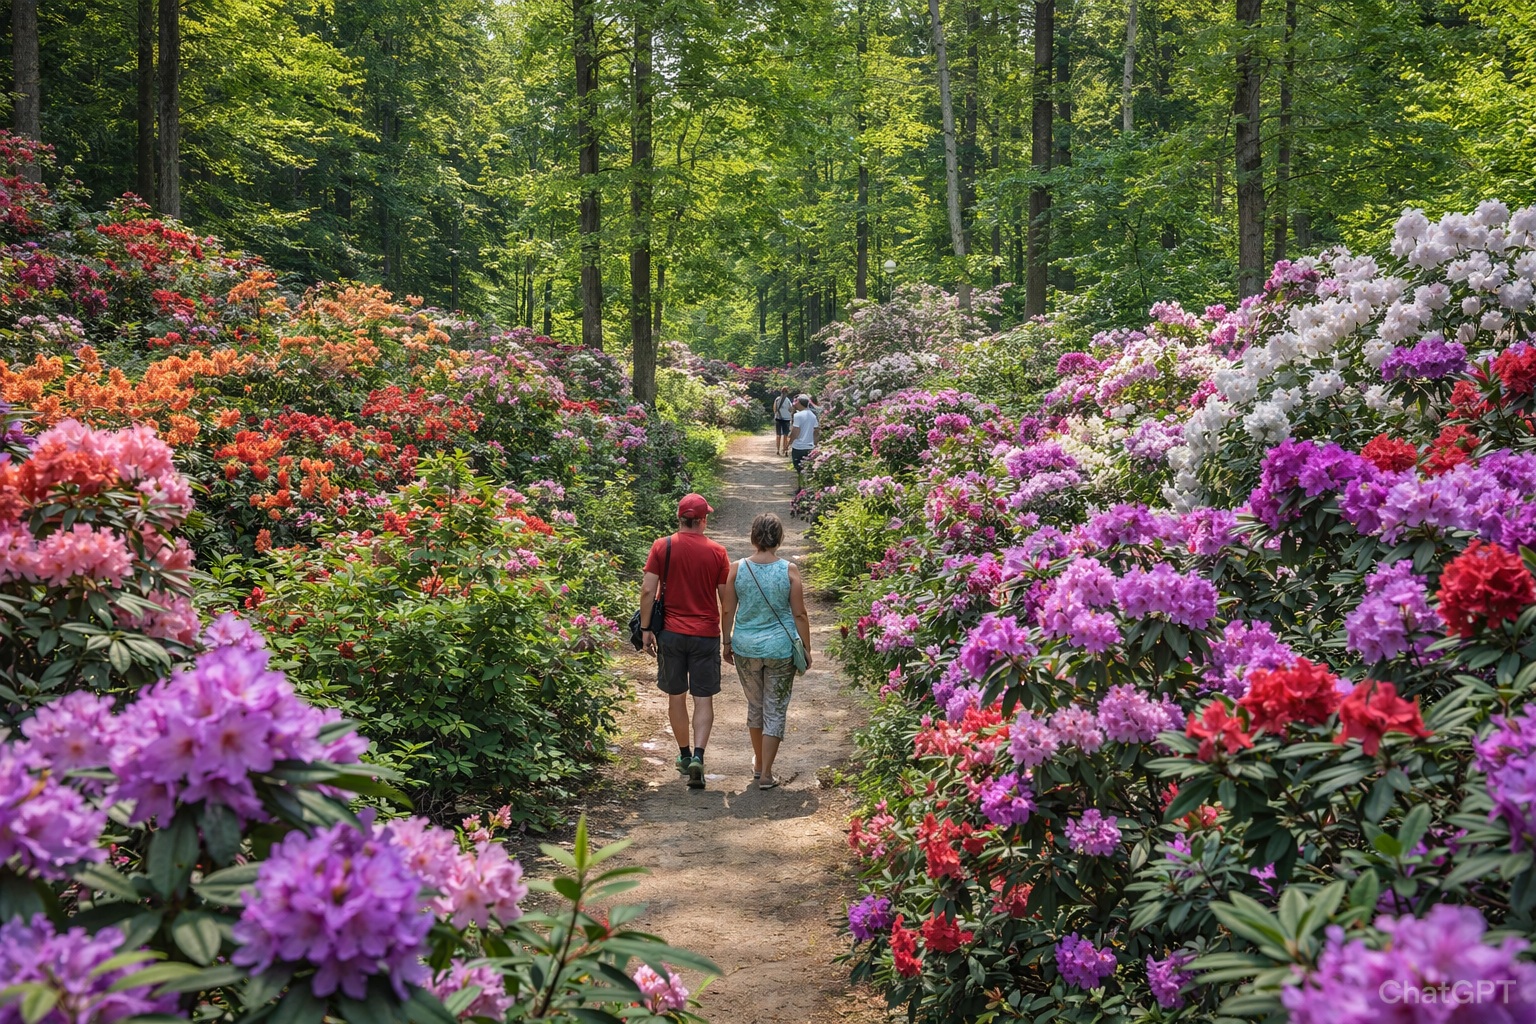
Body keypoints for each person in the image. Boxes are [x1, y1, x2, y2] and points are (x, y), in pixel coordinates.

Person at [638, 493, 730, 789]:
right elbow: (725, 600)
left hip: (672, 635)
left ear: (679, 518)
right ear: (703, 520)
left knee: (676, 697)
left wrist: (645, 628)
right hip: (705, 635)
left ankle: (683, 754)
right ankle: (699, 758)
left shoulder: (661, 546)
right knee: (703, 698)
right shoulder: (717, 552)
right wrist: (727, 638)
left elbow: (647, 592)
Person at [720, 513, 812, 789]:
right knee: (775, 708)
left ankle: (759, 764)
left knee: (756, 705)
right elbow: (800, 615)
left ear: (753, 537)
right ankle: (766, 774)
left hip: (746, 647)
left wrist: (726, 642)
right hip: (780, 649)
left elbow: (727, 609)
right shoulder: (789, 570)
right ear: (779, 538)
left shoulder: (737, 568)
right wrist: (806, 648)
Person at [789, 394, 819, 476]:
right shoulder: (813, 415)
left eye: (796, 401)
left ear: (800, 403)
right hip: (809, 446)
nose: (795, 403)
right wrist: (815, 444)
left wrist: (789, 443)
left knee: (798, 468)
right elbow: (816, 431)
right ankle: (803, 487)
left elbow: (795, 431)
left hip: (798, 447)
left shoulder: (797, 415)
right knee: (807, 468)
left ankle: (801, 487)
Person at [772, 387, 795, 456]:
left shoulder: (777, 399)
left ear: (781, 392)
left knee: (778, 435)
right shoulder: (788, 400)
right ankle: (785, 451)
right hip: (786, 419)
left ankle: (778, 450)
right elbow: (791, 410)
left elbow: (775, 409)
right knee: (786, 435)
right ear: (787, 392)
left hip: (778, 419)